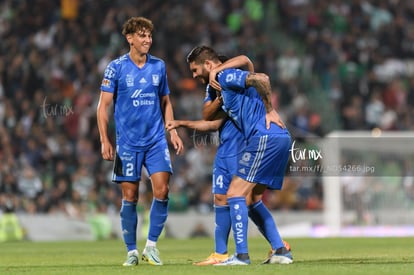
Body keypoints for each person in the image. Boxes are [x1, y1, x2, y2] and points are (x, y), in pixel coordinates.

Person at [167, 55, 291, 265]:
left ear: (207, 64)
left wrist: (270, 110)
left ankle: (241, 256)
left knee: (234, 193)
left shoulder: (224, 76)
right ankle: (280, 250)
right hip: (278, 138)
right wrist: (183, 122)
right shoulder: (223, 91)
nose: (194, 76)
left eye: (196, 70)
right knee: (252, 200)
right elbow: (210, 119)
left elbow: (259, 75)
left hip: (265, 137)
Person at [96, 16, 184, 266]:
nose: (147, 40)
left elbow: (165, 100)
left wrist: (173, 129)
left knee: (163, 190)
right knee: (130, 196)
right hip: (127, 144)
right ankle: (132, 251)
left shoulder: (159, 66)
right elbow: (102, 106)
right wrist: (105, 139)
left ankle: (152, 246)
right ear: (130, 38)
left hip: (155, 140)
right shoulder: (116, 67)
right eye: (142, 35)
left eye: (149, 35)